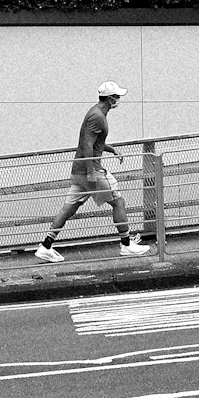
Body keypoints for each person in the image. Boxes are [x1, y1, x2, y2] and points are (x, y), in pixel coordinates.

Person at [34, 81, 151, 262]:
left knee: (68, 209)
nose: (119, 99)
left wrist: (111, 149)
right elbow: (87, 145)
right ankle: (126, 244)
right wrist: (91, 172)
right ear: (110, 98)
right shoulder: (97, 116)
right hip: (92, 171)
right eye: (117, 96)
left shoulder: (96, 113)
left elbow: (93, 142)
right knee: (118, 202)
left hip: (79, 172)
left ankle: (46, 246)